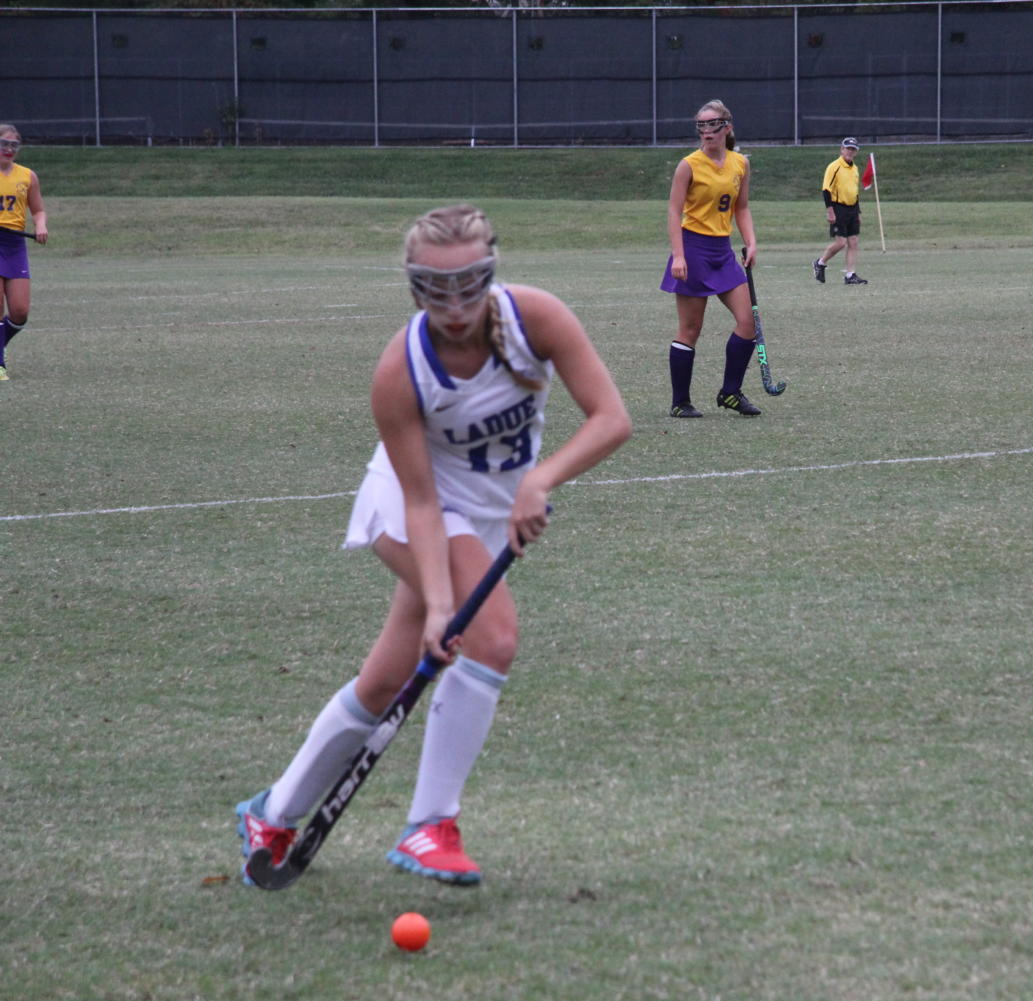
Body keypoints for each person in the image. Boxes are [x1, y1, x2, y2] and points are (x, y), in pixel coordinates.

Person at [236, 204, 631, 887]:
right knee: (493, 635)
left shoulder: (535, 318)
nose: (455, 305)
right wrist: (445, 605)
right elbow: (421, 500)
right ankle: (429, 823)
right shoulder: (400, 370)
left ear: (492, 272)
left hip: (483, 511)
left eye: (470, 283)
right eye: (435, 287)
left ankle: (272, 812)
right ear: (413, 286)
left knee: (387, 676)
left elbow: (612, 419)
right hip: (409, 508)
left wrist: (540, 479)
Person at [660, 99, 763, 418]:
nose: (706, 130)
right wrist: (678, 255)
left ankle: (730, 392)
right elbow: (674, 211)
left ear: (727, 127)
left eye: (712, 124)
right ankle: (681, 402)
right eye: (701, 125)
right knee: (691, 328)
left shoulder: (740, 163)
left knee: (748, 323)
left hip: (722, 251)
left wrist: (751, 241)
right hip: (692, 250)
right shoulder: (688, 165)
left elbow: (741, 207)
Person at [0, 124, 48, 381]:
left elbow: (38, 210)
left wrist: (40, 225)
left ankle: (0, 343)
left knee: (19, 312)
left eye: (13, 145)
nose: (8, 149)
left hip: (15, 245)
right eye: (3, 144)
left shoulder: (27, 176)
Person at [813, 137, 868, 287]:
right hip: (838, 208)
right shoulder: (834, 166)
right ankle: (820, 263)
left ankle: (850, 275)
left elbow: (854, 192)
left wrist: (858, 212)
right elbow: (826, 190)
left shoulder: (855, 169)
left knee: (853, 241)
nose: (850, 152)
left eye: (853, 149)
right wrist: (830, 211)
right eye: (848, 148)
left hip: (852, 209)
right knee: (840, 242)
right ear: (842, 149)